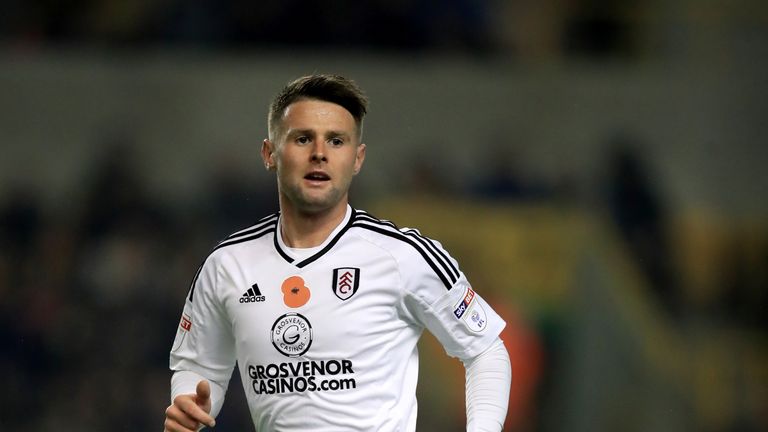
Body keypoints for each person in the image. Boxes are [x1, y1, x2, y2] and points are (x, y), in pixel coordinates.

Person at [164, 74, 512, 431]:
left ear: (357, 158)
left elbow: (485, 350)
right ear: (270, 153)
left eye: (336, 141)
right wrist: (189, 403)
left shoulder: (403, 256)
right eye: (302, 139)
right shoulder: (227, 264)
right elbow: (199, 367)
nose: (319, 153)